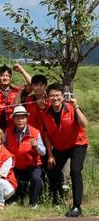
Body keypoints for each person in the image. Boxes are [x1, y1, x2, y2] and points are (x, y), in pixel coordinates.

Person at [39, 83, 89, 217]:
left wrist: (76, 106)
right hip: (60, 147)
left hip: (77, 144)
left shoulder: (72, 108)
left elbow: (84, 123)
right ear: (47, 97)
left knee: (75, 170)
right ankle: (57, 199)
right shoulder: (45, 113)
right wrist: (50, 154)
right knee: (51, 167)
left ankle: (77, 207)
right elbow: (46, 135)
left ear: (62, 96)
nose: (55, 98)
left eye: (57, 95)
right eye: (52, 96)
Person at [4, 106, 45, 209]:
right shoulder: (8, 131)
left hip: (33, 165)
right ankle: (11, 199)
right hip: (16, 165)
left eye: (23, 117)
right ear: (13, 119)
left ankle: (33, 203)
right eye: (17, 118)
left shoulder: (35, 132)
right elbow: (4, 147)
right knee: (6, 176)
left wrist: (36, 146)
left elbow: (43, 152)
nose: (20, 120)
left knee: (36, 178)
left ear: (27, 118)